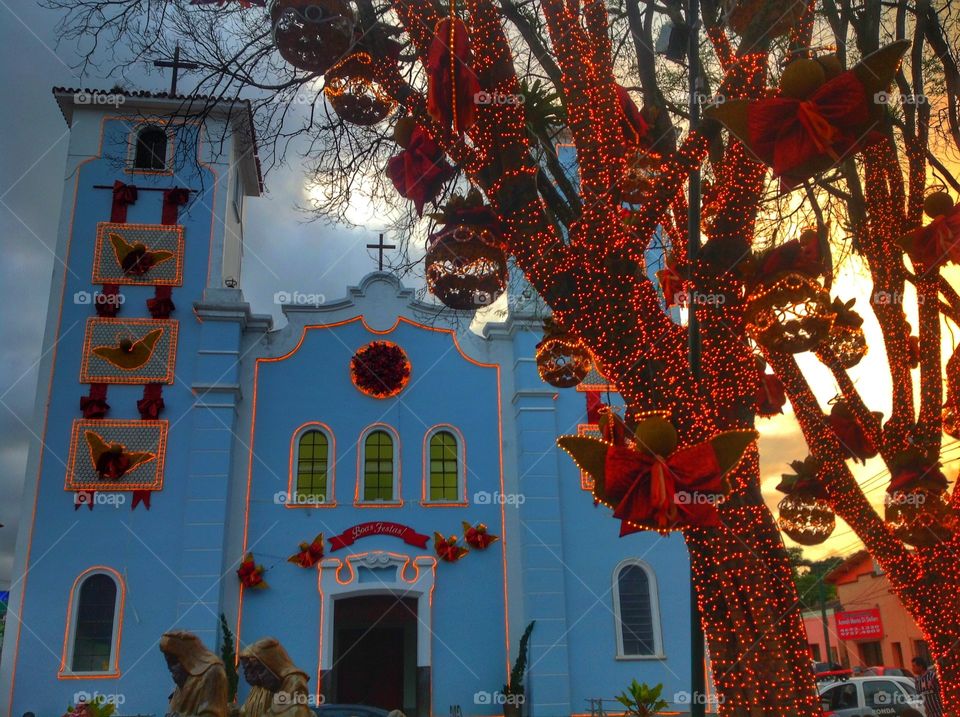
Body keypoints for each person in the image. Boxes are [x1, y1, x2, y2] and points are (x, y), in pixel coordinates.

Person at [160, 630, 229, 717]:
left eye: (173, 662)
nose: (169, 668)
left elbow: (212, 713)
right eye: (168, 662)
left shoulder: (213, 673)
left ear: (188, 658)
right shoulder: (183, 680)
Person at [239, 637, 311, 717]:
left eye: (261, 670)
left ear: (273, 664)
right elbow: (246, 711)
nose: (259, 676)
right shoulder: (260, 687)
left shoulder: (294, 681)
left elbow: (293, 712)